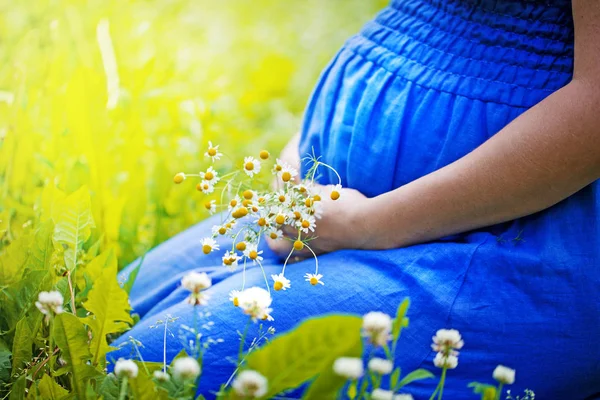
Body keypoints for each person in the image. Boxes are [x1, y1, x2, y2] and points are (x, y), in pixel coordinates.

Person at [109, 0, 600, 398]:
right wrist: (294, 165)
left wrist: (368, 224)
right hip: (349, 214)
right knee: (96, 326)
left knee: (141, 371)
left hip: (504, 245)